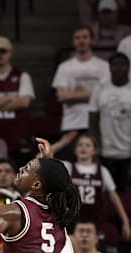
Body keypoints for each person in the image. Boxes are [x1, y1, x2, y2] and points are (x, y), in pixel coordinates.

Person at [88, 52, 131, 192]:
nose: (119, 68)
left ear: (128, 67)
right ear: (109, 67)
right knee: (105, 195)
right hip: (105, 154)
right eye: (115, 64)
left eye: (123, 64)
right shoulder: (100, 88)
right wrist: (94, 153)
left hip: (130, 154)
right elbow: (92, 124)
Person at [51, 24, 110, 159]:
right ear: (73, 41)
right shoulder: (64, 67)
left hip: (97, 123)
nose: (81, 41)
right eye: (77, 38)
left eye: (85, 37)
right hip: (72, 124)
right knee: (71, 166)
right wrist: (92, 93)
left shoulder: (103, 66)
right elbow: (62, 96)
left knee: (94, 164)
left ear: (91, 40)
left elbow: (105, 96)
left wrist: (74, 93)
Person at [60, 133, 131, 239]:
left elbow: (115, 198)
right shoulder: (68, 168)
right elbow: (40, 160)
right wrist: (62, 143)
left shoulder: (102, 171)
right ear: (75, 150)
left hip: (95, 222)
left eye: (87, 145)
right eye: (80, 145)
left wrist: (125, 221)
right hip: (72, 222)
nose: (83, 147)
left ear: (94, 151)